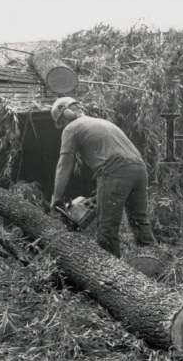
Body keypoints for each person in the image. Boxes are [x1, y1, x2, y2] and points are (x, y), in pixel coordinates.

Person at [49, 97, 156, 258]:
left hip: (114, 170)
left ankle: (113, 275)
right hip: (139, 169)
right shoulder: (102, 122)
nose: (63, 125)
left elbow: (64, 165)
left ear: (67, 113)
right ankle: (154, 262)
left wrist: (56, 199)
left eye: (62, 121)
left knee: (106, 228)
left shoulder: (71, 128)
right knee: (139, 220)